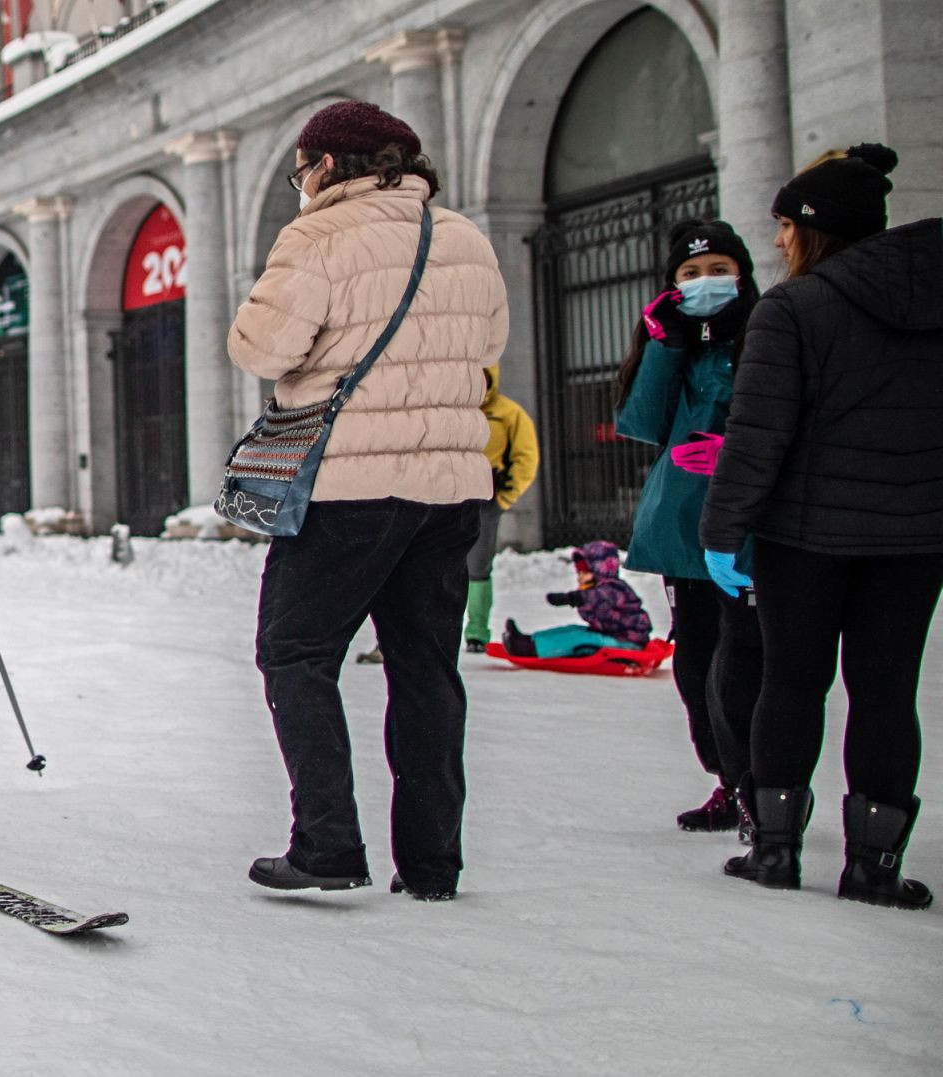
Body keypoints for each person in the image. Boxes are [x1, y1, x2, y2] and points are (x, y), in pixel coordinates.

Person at [229, 101, 509, 902]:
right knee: (426, 670)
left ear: (327, 165)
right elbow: (487, 349)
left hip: (349, 489)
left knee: (295, 652)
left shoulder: (317, 236)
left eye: (301, 170)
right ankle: (431, 863)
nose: (300, 186)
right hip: (448, 492)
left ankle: (328, 842)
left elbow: (260, 346)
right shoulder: (462, 236)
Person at [702, 144, 943, 910]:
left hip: (803, 538)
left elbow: (757, 435)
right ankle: (873, 866)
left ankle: (774, 851)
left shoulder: (793, 308)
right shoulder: (935, 303)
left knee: (792, 680)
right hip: (913, 538)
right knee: (886, 690)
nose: (776, 241)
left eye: (783, 226)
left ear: (817, 229)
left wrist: (720, 531)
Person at [610, 219, 765, 832]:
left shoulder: (765, 331)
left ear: (741, 275)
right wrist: (664, 347)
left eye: (719, 270)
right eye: (691, 274)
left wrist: (730, 448)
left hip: (748, 527)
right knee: (696, 663)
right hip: (680, 525)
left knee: (745, 661)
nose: (706, 283)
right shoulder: (671, 341)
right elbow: (644, 422)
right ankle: (726, 780)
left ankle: (762, 784)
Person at [356, 363, 538, 663]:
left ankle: (476, 632)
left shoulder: (507, 413)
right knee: (419, 568)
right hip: (438, 497)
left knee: (477, 567)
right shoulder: (448, 409)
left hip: (483, 500)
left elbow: (525, 457)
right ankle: (398, 641)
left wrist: (505, 497)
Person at [499, 541, 651, 657]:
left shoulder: (613, 589)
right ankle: (529, 640)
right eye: (579, 572)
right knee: (572, 629)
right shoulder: (599, 587)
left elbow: (596, 598)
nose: (580, 576)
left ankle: (530, 649)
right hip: (613, 635)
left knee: (578, 636)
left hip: (628, 643)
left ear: (599, 570)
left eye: (585, 572)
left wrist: (570, 598)